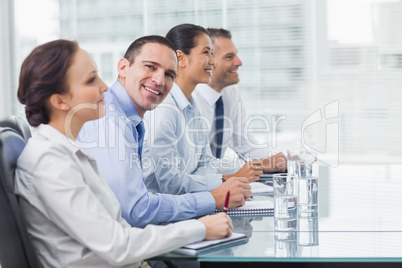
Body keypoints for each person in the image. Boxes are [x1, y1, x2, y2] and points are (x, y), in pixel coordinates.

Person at [15, 39, 234, 268]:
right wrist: (200, 228)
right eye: (91, 79)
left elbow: (118, 223)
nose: (105, 87)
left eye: (169, 74)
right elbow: (118, 242)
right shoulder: (51, 161)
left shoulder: (70, 152)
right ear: (60, 101)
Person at [78, 35, 252, 228]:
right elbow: (136, 210)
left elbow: (205, 162)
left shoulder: (132, 119)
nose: (159, 80)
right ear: (123, 68)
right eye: (150, 67)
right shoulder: (110, 120)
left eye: (169, 74)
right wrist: (212, 198)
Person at [143, 24, 262, 196]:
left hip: (187, 203)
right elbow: (171, 184)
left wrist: (198, 179)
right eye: (206, 53)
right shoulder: (163, 109)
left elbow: (206, 163)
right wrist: (223, 181)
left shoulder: (192, 105)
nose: (212, 61)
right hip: (164, 214)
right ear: (181, 58)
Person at [193, 28, 287, 175]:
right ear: (208, 60)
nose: (239, 62)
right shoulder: (190, 98)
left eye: (236, 55)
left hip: (219, 183)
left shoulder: (231, 92)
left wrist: (277, 160)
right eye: (229, 57)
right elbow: (197, 164)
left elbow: (245, 144)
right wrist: (256, 166)